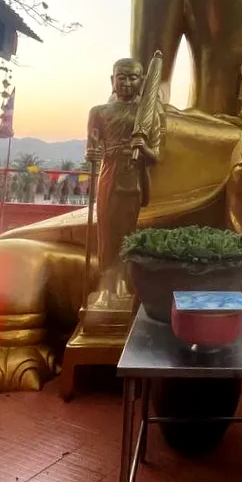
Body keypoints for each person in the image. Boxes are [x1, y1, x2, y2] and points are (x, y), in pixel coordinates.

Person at [88, 57, 163, 310]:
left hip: (133, 179)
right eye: (122, 76)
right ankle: (106, 287)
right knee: (107, 234)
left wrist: (144, 148)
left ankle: (123, 283)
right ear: (112, 80)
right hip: (109, 176)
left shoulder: (150, 113)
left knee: (126, 234)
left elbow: (156, 157)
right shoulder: (99, 112)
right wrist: (93, 154)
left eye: (133, 77)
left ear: (142, 80)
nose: (127, 82)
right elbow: (92, 149)